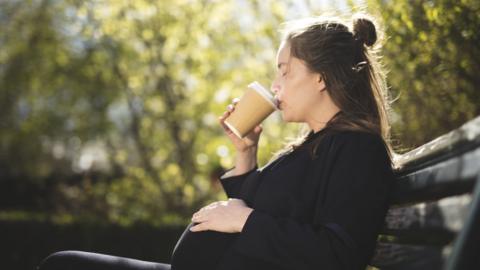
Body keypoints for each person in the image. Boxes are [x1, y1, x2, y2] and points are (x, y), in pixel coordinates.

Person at [38, 13, 397, 270]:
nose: (275, 85)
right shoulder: (315, 143)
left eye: (284, 70)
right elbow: (272, 208)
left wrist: (245, 220)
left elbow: (338, 254)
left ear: (321, 77)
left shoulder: (356, 150)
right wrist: (246, 155)